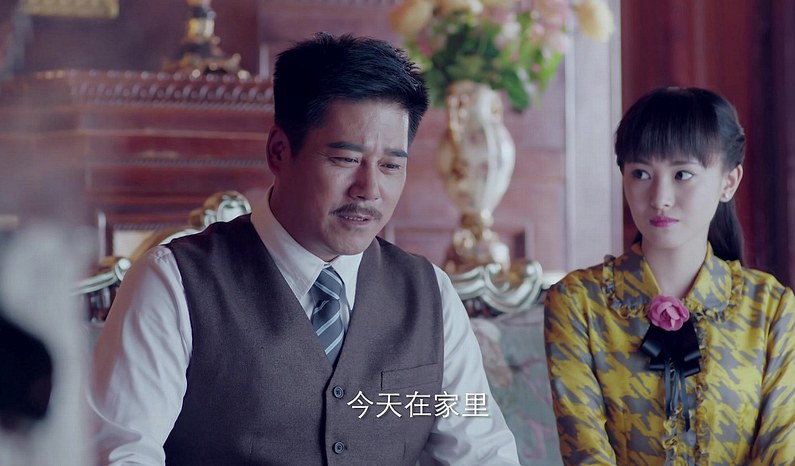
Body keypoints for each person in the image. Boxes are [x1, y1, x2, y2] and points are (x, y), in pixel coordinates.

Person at [89, 33, 520, 465]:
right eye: (345, 159)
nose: (369, 189)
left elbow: (484, 455)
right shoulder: (174, 283)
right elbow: (120, 455)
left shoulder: (430, 295)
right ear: (279, 151)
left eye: (391, 165)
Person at [544, 87, 795, 464]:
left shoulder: (769, 308)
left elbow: (786, 453)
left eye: (682, 174)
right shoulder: (578, 302)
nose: (660, 198)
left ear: (728, 182)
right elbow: (584, 449)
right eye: (641, 173)